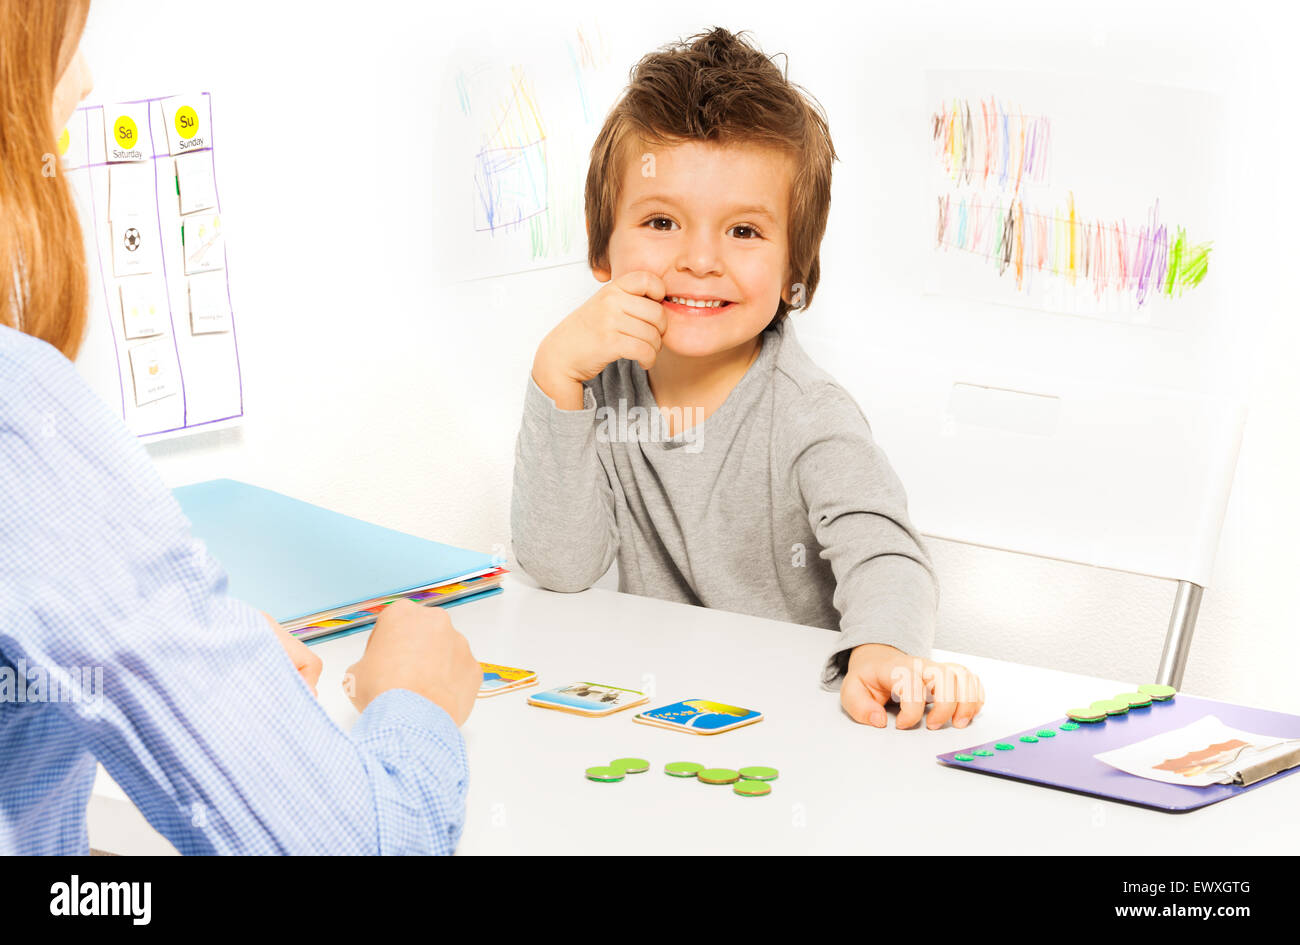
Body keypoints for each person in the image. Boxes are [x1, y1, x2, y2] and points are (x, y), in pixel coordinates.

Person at [0, 0, 481, 856]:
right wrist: (417, 700)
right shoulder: (20, 417)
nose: (81, 81)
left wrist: (182, 665)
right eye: (59, 36)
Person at [512, 27, 985, 730]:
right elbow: (560, 565)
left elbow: (885, 552)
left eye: (743, 231)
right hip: (667, 714)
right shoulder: (602, 387)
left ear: (795, 266)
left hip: (795, 724)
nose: (700, 259)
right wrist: (556, 374)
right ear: (601, 243)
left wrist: (884, 651)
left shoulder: (807, 415)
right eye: (662, 220)